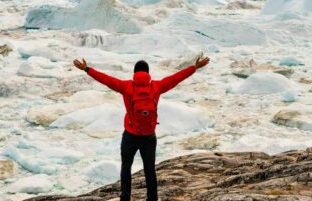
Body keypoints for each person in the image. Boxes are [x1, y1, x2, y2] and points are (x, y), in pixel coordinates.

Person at [72, 56, 210, 201]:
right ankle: (152, 198)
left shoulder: (126, 86)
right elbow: (176, 78)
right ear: (148, 73)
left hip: (130, 135)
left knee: (126, 167)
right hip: (149, 137)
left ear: (134, 73)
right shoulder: (156, 87)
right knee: (149, 169)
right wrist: (194, 67)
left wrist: (87, 69)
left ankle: (125, 198)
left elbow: (106, 79)